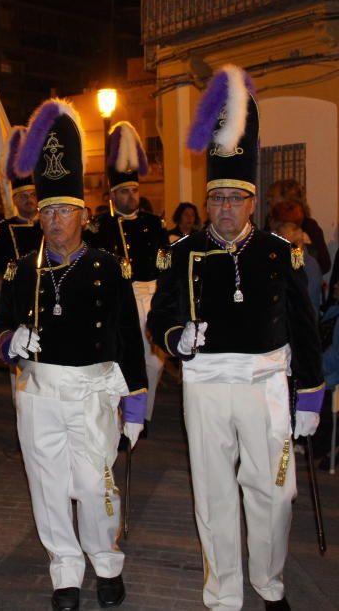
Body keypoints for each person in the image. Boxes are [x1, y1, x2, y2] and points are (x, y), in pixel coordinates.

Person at [148, 65, 324, 611]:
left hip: (266, 384)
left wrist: (311, 392)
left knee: (273, 492)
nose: (224, 209)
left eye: (235, 198)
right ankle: (223, 591)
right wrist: (176, 339)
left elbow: (304, 325)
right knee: (214, 493)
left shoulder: (279, 252)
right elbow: (159, 317)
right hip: (204, 385)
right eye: (216, 198)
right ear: (208, 200)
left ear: (252, 201)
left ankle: (268, 581)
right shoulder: (182, 253)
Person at [0, 100, 146, 611]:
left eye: (64, 211)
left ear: (83, 215)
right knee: (48, 484)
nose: (55, 220)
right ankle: (64, 567)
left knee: (95, 482)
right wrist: (7, 340)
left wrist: (137, 400)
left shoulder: (108, 265)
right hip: (38, 392)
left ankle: (106, 560)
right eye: (47, 211)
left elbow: (127, 335)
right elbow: (0, 327)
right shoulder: (21, 269)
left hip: (92, 392)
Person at [86, 121, 168, 429]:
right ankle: (121, 418)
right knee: (119, 357)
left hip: (149, 295)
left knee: (154, 362)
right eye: (124, 192)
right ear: (113, 194)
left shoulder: (153, 223)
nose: (131, 197)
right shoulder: (100, 226)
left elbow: (165, 264)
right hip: (118, 298)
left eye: (134, 190)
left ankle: (142, 414)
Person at [0, 126, 42, 290]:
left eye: (32, 194)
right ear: (14, 200)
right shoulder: (2, 229)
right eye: (24, 196)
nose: (29, 200)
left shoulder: (48, 224)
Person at [265, 178, 331, 275]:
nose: (268, 201)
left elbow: (299, 267)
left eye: (273, 196)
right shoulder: (269, 226)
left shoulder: (307, 228)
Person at [269, 200, 323, 310]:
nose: (273, 233)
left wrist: (297, 250)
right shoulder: (273, 254)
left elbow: (298, 292)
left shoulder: (307, 263)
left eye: (279, 230)